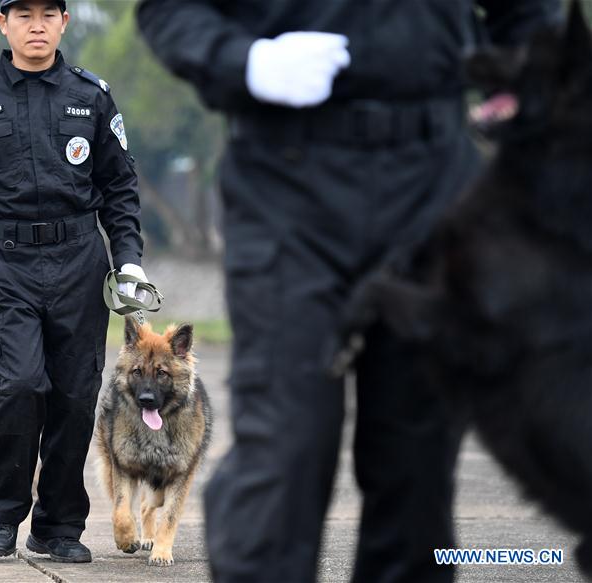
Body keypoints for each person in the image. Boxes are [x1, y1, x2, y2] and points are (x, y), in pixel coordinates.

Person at [136, 1, 562, 581]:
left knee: (418, 456)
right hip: (288, 180)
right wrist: (246, 62)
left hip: (434, 177)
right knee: (287, 448)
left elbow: (533, 15)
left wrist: (530, 91)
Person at [0, 0, 144, 563]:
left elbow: (119, 187)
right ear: (3, 23)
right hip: (3, 261)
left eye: (48, 13)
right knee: (18, 385)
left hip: (79, 262)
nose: (35, 24)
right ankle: (3, 510)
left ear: (64, 21)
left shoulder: (91, 96)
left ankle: (58, 525)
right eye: (23, 14)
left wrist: (130, 258)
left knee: (73, 397)